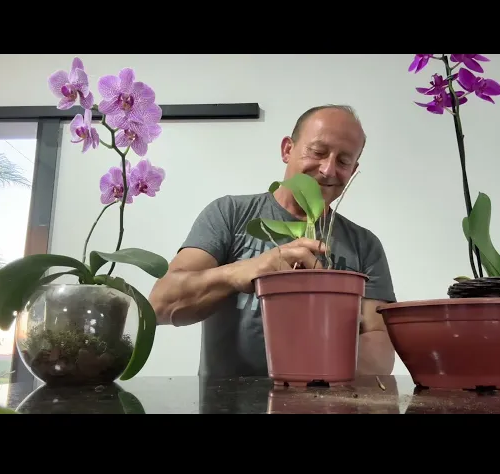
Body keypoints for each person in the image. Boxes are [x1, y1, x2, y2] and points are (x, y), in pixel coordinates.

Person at [149, 104, 397, 379]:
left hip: (325, 401)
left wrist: (313, 366)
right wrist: (244, 271)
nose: (328, 169)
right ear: (287, 149)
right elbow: (160, 304)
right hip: (227, 400)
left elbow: (380, 347)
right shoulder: (230, 214)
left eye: (343, 161)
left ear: (354, 170)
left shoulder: (364, 245)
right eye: (318, 152)